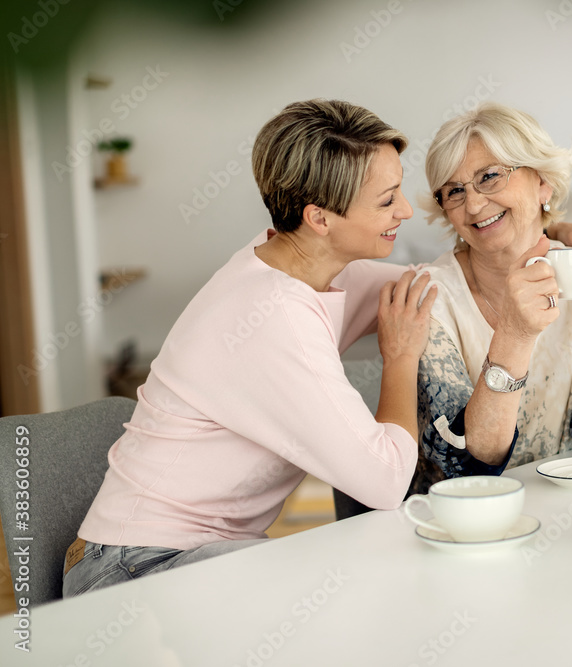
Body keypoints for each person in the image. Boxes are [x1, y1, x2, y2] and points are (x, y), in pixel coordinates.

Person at [63, 99, 439, 596]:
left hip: (173, 555)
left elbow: (438, 287)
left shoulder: (297, 266)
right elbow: (386, 481)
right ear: (320, 218)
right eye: (388, 199)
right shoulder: (274, 313)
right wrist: (401, 355)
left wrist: (539, 235)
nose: (406, 211)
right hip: (135, 568)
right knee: (352, 593)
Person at [411, 103, 572, 493]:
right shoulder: (429, 297)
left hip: (564, 510)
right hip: (460, 525)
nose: (472, 205)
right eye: (454, 191)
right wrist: (514, 333)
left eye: (489, 176)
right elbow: (467, 467)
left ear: (543, 182)